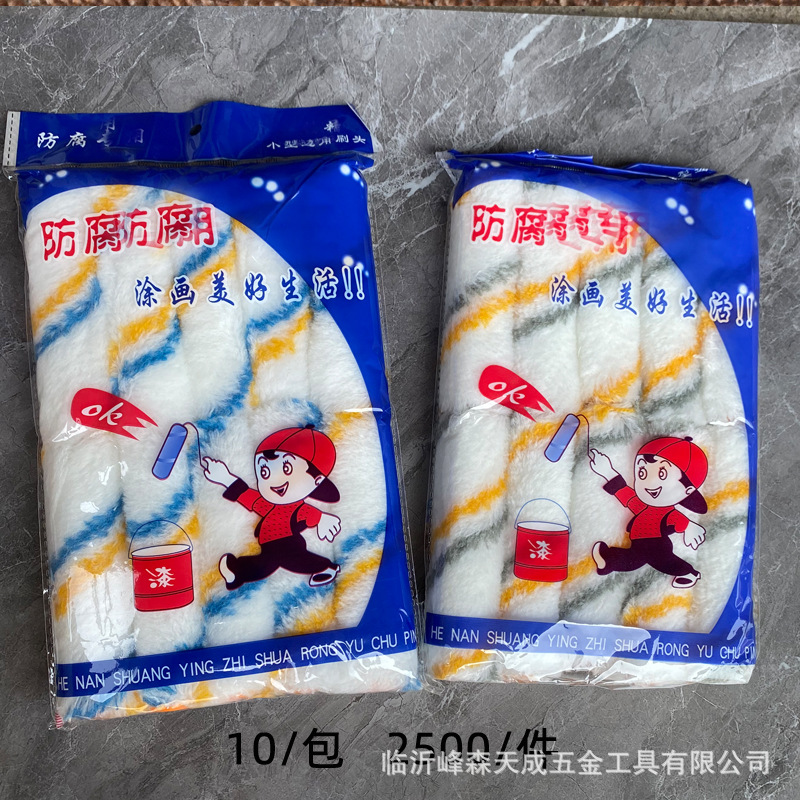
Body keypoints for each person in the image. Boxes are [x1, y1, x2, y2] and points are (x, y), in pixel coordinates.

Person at [203, 424, 342, 589]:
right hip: (269, 544)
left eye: (287, 468)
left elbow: (308, 513)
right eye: (264, 473)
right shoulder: (268, 505)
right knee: (267, 564)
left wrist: (322, 519)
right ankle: (237, 571)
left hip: (287, 541)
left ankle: (325, 567)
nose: (274, 481)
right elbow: (247, 496)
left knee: (288, 560)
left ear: (317, 481)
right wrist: (226, 478)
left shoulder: (296, 508)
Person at [587, 436, 708, 588]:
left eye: (662, 474)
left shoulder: (666, 511)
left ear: (688, 490)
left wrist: (688, 526)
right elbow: (625, 494)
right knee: (633, 560)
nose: (649, 483)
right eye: (642, 473)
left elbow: (676, 519)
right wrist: (608, 472)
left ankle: (688, 573)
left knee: (662, 561)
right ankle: (608, 560)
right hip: (639, 542)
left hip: (656, 543)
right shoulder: (643, 506)